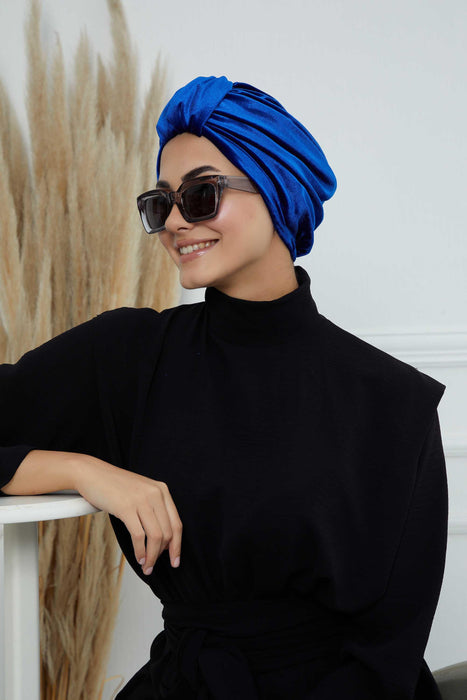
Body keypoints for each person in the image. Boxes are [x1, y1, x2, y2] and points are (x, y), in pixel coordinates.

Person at [0, 76, 447, 699]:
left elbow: (388, 650)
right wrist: (82, 470)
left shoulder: (395, 402)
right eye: (161, 203)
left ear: (276, 187)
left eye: (201, 194)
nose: (175, 223)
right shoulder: (128, 356)